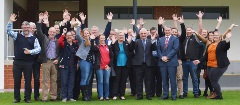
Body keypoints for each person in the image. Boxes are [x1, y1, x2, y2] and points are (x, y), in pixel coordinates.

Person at [193, 24, 238, 100]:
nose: (215, 37)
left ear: (219, 37)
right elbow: (206, 56)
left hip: (219, 65)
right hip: (210, 65)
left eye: (217, 36)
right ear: (212, 37)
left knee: (213, 80)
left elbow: (227, 46)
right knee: (211, 79)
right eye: (214, 36)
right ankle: (215, 93)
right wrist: (199, 60)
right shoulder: (210, 44)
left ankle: (219, 95)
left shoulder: (222, 43)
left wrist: (228, 39)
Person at [6, 14, 41, 103]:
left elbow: (38, 49)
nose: (25, 29)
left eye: (27, 27)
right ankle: (17, 98)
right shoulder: (17, 35)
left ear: (30, 28)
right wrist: (10, 21)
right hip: (17, 62)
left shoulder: (34, 38)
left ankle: (27, 98)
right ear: (22, 27)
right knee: (17, 81)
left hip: (28, 63)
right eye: (24, 27)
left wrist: (30, 52)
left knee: (28, 81)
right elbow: (8, 31)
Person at [37, 12, 60, 102]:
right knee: (45, 81)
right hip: (46, 61)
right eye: (51, 31)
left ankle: (53, 97)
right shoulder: (44, 39)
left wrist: (57, 59)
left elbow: (60, 53)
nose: (52, 33)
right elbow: (39, 31)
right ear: (48, 32)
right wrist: (40, 20)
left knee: (54, 81)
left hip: (54, 62)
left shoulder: (58, 41)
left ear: (55, 33)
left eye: (54, 32)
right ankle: (45, 98)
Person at [129, 28, 157, 100]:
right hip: (138, 64)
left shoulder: (150, 41)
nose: (143, 35)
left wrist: (153, 40)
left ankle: (148, 95)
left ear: (147, 34)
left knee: (148, 80)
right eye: (142, 34)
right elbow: (131, 48)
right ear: (139, 34)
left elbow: (154, 49)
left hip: (148, 64)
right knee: (138, 80)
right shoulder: (136, 41)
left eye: (144, 33)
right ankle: (139, 95)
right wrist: (133, 38)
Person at [157, 26, 179, 100]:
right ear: (164, 31)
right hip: (162, 62)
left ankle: (173, 95)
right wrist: (162, 57)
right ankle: (165, 95)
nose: (167, 31)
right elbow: (158, 50)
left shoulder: (175, 38)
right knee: (164, 80)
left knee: (173, 80)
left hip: (172, 62)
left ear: (171, 31)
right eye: (166, 30)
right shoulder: (160, 39)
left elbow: (175, 49)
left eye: (168, 30)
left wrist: (167, 57)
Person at [91, 34, 113, 100]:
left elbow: (112, 57)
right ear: (99, 39)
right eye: (101, 38)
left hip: (107, 67)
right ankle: (101, 96)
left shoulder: (109, 47)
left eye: (104, 38)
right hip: (100, 67)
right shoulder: (97, 47)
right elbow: (92, 48)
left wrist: (109, 65)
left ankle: (106, 96)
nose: (103, 39)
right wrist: (92, 40)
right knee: (100, 81)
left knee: (106, 82)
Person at [58, 29, 78, 102]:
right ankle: (64, 97)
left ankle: (70, 97)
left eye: (71, 35)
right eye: (68, 36)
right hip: (64, 66)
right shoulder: (64, 44)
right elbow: (59, 41)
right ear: (66, 37)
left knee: (71, 82)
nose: (69, 37)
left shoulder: (75, 44)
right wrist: (63, 34)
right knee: (64, 82)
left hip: (72, 66)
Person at [111, 31, 131, 100]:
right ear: (117, 36)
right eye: (120, 35)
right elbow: (111, 51)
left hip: (125, 64)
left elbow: (131, 50)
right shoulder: (114, 43)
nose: (121, 37)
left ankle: (122, 94)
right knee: (116, 80)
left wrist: (130, 42)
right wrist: (112, 43)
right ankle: (115, 94)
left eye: (122, 35)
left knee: (123, 80)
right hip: (117, 64)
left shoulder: (126, 43)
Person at [29, 22, 42, 101]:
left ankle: (36, 96)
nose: (32, 29)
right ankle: (28, 96)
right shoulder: (25, 37)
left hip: (36, 61)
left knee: (37, 79)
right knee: (28, 79)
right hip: (27, 61)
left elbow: (40, 49)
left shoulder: (38, 37)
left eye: (33, 28)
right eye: (31, 28)